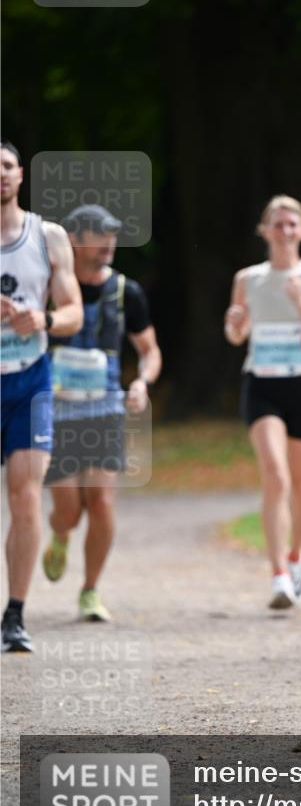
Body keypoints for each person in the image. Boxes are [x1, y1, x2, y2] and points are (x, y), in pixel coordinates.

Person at [41, 204, 162, 622]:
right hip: (55, 411)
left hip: (105, 410)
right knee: (69, 511)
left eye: (113, 235)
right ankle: (58, 535)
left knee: (102, 501)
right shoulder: (50, 288)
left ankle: (90, 590)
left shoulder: (126, 291)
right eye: (100, 235)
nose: (110, 243)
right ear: (74, 240)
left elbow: (150, 351)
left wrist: (142, 382)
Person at [225, 195, 301, 609]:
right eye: (277, 224)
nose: (285, 231)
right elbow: (236, 335)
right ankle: (279, 576)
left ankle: (296, 554)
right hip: (262, 384)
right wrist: (235, 324)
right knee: (276, 475)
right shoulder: (248, 278)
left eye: (292, 224)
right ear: (264, 231)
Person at [1, 141, 83, 652]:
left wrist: (43, 319)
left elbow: (73, 310)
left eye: (5, 167)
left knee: (25, 497)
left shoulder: (48, 236)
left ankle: (14, 614)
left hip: (29, 381)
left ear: (20, 174)